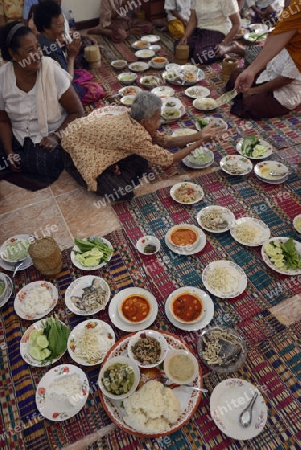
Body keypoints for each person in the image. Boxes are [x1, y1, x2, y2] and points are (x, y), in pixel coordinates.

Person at [61, 92, 221, 201]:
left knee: (142, 161)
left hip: (90, 140)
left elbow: (166, 141)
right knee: (123, 193)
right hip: (74, 147)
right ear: (145, 122)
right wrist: (200, 143)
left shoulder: (133, 118)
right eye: (157, 119)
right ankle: (78, 170)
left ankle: (112, 167)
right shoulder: (136, 134)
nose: (159, 123)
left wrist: (199, 135)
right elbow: (169, 160)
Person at [0, 21, 84, 186]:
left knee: (46, 163)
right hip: (19, 137)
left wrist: (56, 136)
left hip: (49, 138)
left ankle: (22, 161)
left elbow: (78, 112)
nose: (38, 54)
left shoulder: (51, 71)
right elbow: (2, 120)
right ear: (13, 54)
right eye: (30, 51)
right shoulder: (2, 78)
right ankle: (16, 159)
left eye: (38, 47)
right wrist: (9, 151)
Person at [33, 0, 104, 105]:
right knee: (97, 90)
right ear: (45, 28)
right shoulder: (51, 48)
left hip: (54, 79)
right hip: (56, 91)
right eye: (59, 26)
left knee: (83, 74)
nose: (62, 29)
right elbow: (66, 82)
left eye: (63, 25)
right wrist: (71, 57)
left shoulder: (42, 39)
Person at [235, 0, 301, 92]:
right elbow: (282, 32)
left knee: (251, 103)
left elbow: (288, 77)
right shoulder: (296, 8)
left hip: (290, 87)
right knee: (236, 78)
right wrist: (251, 70)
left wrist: (255, 91)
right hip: (273, 67)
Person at [178, 0, 241, 65]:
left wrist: (223, 43)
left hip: (218, 31)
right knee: (179, 47)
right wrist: (185, 36)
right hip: (200, 30)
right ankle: (216, 52)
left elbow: (237, 24)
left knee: (201, 57)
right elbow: (193, 20)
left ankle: (231, 48)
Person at [86, 0, 152, 43]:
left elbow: (133, 12)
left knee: (148, 26)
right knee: (121, 35)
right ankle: (100, 30)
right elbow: (108, 18)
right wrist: (122, 7)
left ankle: (126, 31)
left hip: (126, 20)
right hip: (112, 22)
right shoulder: (106, 1)